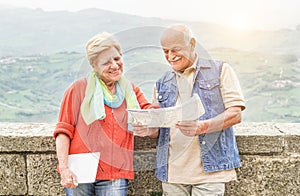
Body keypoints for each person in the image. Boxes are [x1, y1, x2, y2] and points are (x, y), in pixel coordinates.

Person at [133, 24, 246, 195]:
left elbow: (235, 114)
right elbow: (159, 129)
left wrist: (202, 127)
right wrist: (148, 129)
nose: (170, 56)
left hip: (210, 174)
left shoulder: (221, 70)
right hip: (172, 175)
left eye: (175, 50)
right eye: (165, 51)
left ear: (192, 44)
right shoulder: (162, 82)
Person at [54, 32, 156, 195]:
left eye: (117, 59)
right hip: (80, 171)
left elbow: (150, 116)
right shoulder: (78, 89)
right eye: (106, 62)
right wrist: (64, 168)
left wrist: (152, 119)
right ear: (94, 66)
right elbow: (63, 131)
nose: (115, 65)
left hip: (114, 173)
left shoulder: (131, 91)